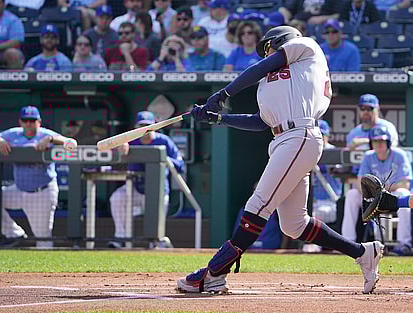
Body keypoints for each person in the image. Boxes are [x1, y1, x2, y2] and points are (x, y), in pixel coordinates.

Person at [176, 25, 384, 295]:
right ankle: (363, 253)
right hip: (284, 140)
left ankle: (215, 273)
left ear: (282, 40)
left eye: (269, 47)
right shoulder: (273, 84)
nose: (267, 54)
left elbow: (266, 66)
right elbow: (261, 122)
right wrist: (217, 118)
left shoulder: (305, 47)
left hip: (299, 134)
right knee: (294, 224)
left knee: (258, 205)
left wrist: (222, 95)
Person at [0, 106, 77, 248]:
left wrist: (51, 139)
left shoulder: (45, 134)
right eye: (25, 120)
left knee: (43, 240)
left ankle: (48, 270)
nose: (28, 123)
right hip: (19, 190)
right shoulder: (13, 134)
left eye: (32, 120)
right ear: (20, 122)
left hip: (42, 192)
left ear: (39, 122)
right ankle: (14, 233)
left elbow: (70, 142)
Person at [108, 111, 185, 248]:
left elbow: (180, 166)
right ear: (136, 127)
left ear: (155, 126)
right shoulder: (130, 141)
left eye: (148, 126)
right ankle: (121, 238)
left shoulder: (164, 141)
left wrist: (161, 157)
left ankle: (156, 243)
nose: (145, 130)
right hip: (135, 189)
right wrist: (122, 146)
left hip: (158, 191)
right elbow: (112, 158)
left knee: (156, 229)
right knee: (117, 198)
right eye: (141, 126)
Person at [342, 126, 412, 256]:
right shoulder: (369, 156)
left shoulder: (399, 155)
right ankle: (347, 242)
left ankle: (404, 243)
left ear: (388, 142)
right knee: (352, 194)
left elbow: (405, 183)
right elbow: (359, 181)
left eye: (382, 141)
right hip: (373, 196)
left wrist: (383, 191)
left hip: (392, 194)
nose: (379, 144)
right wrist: (372, 194)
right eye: (375, 141)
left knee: (404, 194)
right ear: (371, 143)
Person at [303, 120, 342, 253]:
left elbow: (339, 170)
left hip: (331, 202)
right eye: (316, 134)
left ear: (327, 136)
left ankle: (320, 243)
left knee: (316, 214)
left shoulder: (333, 152)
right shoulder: (305, 151)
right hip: (312, 202)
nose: (319, 137)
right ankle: (313, 243)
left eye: (322, 135)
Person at [0, 0, 24, 69]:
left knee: (13, 53)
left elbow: (16, 41)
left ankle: (15, 79)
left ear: (4, 4)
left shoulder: (12, 19)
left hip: (2, 52)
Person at [278, 0, 343, 25]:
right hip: (299, 22)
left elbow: (338, 14)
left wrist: (322, 18)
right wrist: (287, 21)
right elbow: (285, 9)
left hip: (322, 26)